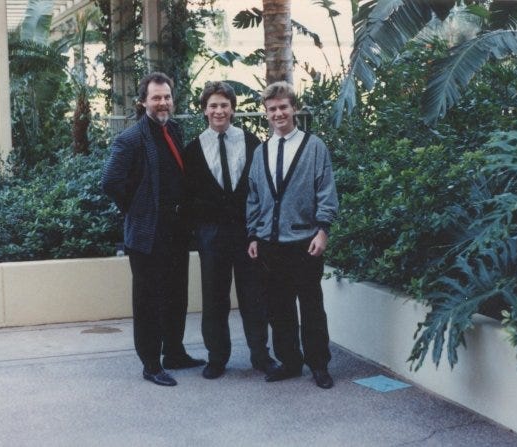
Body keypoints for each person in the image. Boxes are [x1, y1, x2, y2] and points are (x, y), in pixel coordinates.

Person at [102, 72, 205, 387]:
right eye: (156, 97)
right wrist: (136, 208)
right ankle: (151, 363)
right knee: (148, 301)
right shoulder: (130, 138)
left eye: (167, 97)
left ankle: (174, 352)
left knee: (176, 295)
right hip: (148, 235)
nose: (163, 102)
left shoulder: (173, 128)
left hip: (175, 231)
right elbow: (110, 182)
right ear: (143, 102)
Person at [246, 81, 339, 389]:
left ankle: (319, 365)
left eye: (283, 107)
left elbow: (326, 191)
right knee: (279, 307)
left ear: (294, 108)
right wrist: (253, 235)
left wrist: (323, 230)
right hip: (271, 244)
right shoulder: (261, 152)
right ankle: (290, 361)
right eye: (272, 109)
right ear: (266, 113)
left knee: (311, 306)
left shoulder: (314, 147)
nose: (278, 113)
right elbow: (255, 198)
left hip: (305, 242)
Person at [184, 81, 277, 379]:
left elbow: (261, 188)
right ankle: (217, 357)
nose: (219, 110)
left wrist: (257, 230)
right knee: (214, 297)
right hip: (211, 235)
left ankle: (261, 356)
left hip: (246, 233)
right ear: (204, 111)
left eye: (224, 105)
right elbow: (188, 196)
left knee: (254, 295)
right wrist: (199, 229)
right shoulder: (193, 149)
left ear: (233, 109)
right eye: (213, 105)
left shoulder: (251, 142)